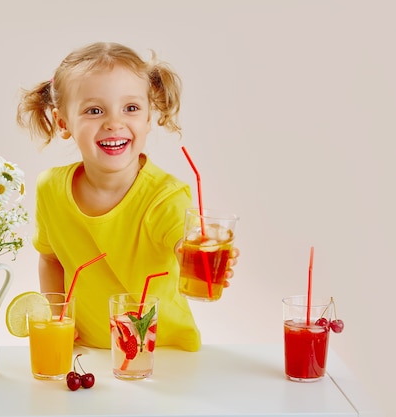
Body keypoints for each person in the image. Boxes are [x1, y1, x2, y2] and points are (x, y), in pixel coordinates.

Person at [16, 41, 239, 352]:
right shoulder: (50, 188)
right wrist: (59, 317)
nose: (114, 123)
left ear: (148, 118)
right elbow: (50, 258)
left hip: (162, 353)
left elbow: (183, 245)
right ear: (63, 122)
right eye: (94, 110)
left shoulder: (165, 196)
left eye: (131, 108)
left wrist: (202, 260)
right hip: (90, 352)